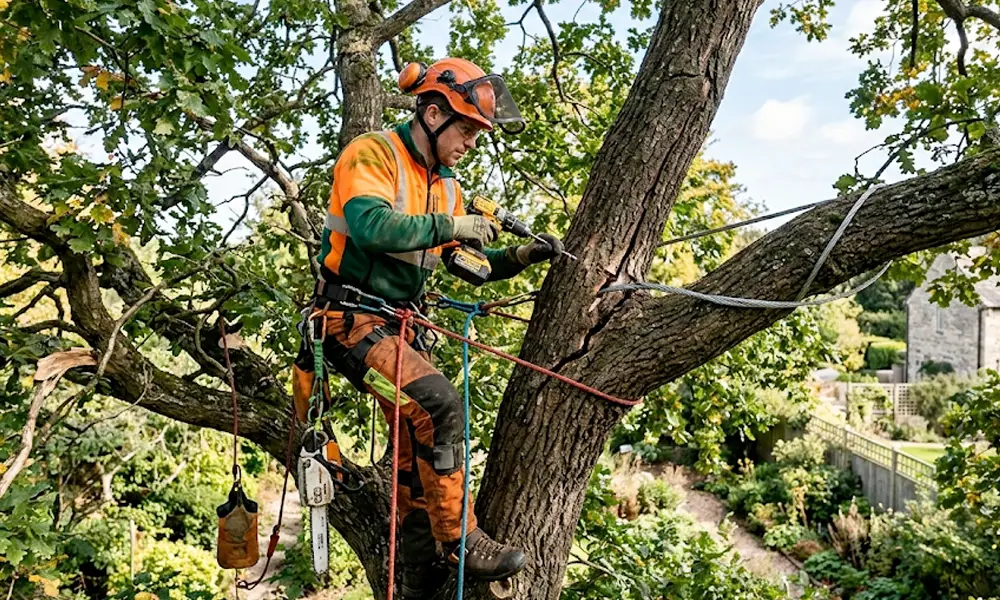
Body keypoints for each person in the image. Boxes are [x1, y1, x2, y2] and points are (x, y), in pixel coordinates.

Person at [291, 56, 564, 598]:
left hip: (397, 329)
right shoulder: (371, 154)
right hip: (348, 325)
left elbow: (468, 263)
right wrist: (453, 223)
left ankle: (419, 574)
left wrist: (522, 255)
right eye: (466, 130)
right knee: (440, 405)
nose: (469, 144)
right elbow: (370, 227)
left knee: (417, 463)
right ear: (434, 113)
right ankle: (463, 543)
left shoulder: (447, 189)